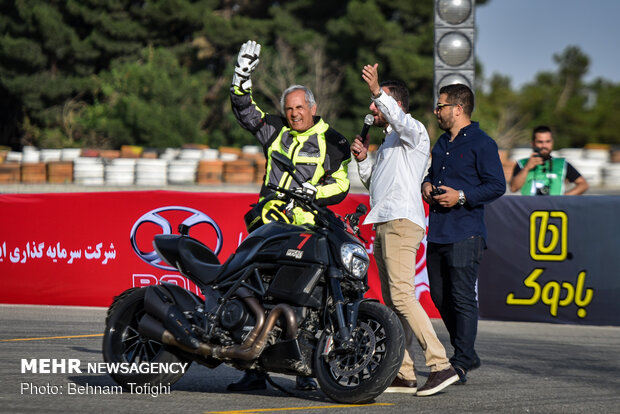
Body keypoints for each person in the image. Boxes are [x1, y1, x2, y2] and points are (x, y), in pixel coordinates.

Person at [228, 40, 351, 392]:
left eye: (299, 107)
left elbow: (341, 184)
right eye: (289, 108)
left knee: (310, 302)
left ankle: (305, 373)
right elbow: (243, 110)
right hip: (268, 227)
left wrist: (318, 192)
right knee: (254, 295)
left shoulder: (334, 141)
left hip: (307, 232)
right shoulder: (275, 129)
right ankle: (253, 371)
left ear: (312, 107)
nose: (294, 113)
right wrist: (241, 75)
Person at [351, 63, 458, 397]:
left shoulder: (414, 132)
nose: (372, 110)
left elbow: (398, 117)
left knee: (401, 296)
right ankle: (404, 372)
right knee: (393, 301)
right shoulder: (387, 144)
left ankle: (440, 365)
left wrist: (376, 91)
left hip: (401, 223)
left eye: (377, 106)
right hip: (384, 222)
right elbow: (374, 183)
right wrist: (363, 159)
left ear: (393, 104)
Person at [422, 83, 506, 385]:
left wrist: (461, 196)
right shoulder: (442, 141)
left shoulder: (483, 143)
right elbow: (431, 175)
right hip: (439, 231)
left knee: (461, 296)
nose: (437, 111)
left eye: (440, 106)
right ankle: (467, 353)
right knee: (439, 295)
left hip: (466, 232)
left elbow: (497, 185)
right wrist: (427, 186)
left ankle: (461, 358)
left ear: (458, 109)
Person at [510, 125, 589, 195]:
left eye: (548, 141)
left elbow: (583, 185)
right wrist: (527, 168)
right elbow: (513, 188)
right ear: (533, 144)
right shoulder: (522, 163)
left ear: (552, 142)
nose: (544, 145)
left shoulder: (562, 164)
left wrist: (564, 197)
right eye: (540, 142)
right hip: (529, 210)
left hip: (554, 209)